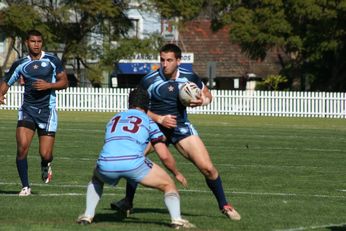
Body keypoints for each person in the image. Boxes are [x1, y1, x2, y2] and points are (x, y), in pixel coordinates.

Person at [111, 43, 241, 220]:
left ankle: (224, 205)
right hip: (154, 128)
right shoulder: (149, 80)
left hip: (181, 129)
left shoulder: (190, 76)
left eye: (169, 60)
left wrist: (202, 101)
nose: (164, 64)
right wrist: (159, 119)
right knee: (135, 159)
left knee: (208, 168)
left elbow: (208, 95)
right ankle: (128, 201)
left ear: (178, 61)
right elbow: (135, 107)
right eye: (162, 60)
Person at [76, 87, 195, 229]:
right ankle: (177, 220)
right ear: (147, 106)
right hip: (133, 164)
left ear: (129, 103)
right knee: (168, 185)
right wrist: (177, 173)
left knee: (96, 178)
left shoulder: (114, 118)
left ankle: (87, 216)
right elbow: (163, 155)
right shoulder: (148, 121)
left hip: (106, 163)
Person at [0, 29, 69, 196]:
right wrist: (1, 94)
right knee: (22, 148)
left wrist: (49, 86)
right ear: (26, 43)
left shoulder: (52, 60)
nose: (36, 45)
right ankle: (25, 187)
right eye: (33, 41)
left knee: (45, 154)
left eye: (39, 42)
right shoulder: (20, 64)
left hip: (47, 112)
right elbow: (6, 82)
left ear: (42, 43)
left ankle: (46, 164)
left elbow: (64, 82)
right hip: (27, 111)